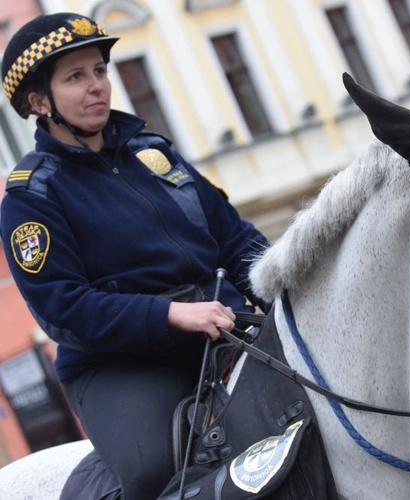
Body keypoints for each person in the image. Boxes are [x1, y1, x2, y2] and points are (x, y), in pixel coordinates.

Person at [0, 13, 269, 499]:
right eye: (75, 77)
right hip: (121, 364)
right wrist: (169, 314)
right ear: (40, 102)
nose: (97, 86)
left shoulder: (154, 154)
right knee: (152, 472)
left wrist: (289, 282)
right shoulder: (32, 195)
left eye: (99, 71)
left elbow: (235, 239)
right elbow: (64, 309)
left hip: (222, 323)